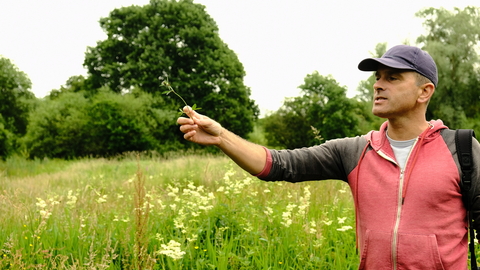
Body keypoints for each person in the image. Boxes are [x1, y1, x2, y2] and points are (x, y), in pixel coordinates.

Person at [177, 45, 480, 269]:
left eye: (393, 77)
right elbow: (279, 164)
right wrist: (221, 137)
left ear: (424, 91)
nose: (377, 84)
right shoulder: (354, 151)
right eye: (377, 77)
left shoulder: (462, 149)